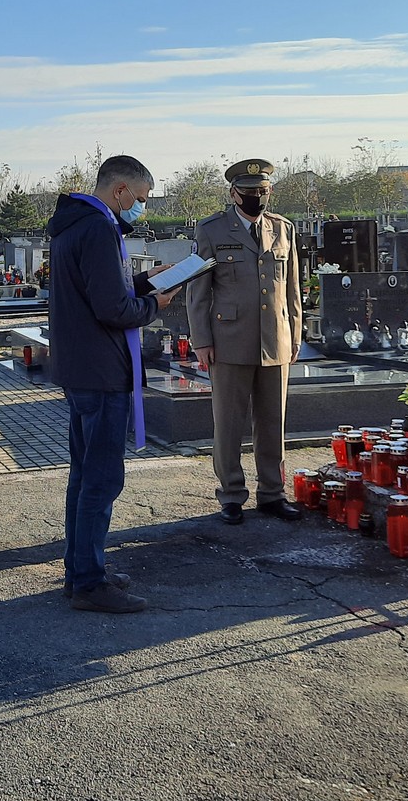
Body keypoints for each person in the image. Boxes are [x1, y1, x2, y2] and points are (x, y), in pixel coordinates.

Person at [46, 154, 178, 613]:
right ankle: (88, 583)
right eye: (139, 198)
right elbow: (113, 310)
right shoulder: (100, 228)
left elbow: (100, 290)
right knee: (101, 479)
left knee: (84, 476)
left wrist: (142, 282)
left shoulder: (76, 223)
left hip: (80, 367)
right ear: (119, 190)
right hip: (101, 371)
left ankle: (81, 569)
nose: (140, 207)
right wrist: (156, 304)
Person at [187, 160, 304, 525]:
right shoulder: (211, 230)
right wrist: (201, 339)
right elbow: (198, 291)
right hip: (229, 340)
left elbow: (293, 289)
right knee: (229, 422)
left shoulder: (283, 229)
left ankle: (272, 492)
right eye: (251, 192)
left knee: (273, 422)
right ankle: (232, 495)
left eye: (264, 192)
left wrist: (295, 334)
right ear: (234, 193)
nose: (258, 198)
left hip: (275, 340)